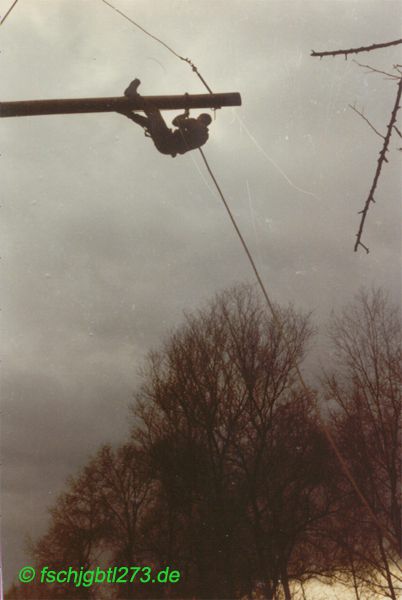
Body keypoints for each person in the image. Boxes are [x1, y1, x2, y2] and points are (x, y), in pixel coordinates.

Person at [118, 78, 212, 157]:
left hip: (167, 138)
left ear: (201, 118)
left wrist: (185, 115)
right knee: (148, 123)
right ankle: (124, 111)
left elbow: (175, 122)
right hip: (165, 148)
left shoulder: (196, 124)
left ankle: (132, 95)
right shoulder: (204, 137)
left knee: (153, 112)